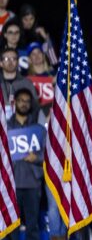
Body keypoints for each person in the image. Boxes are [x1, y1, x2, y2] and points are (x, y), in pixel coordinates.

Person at [7, 89, 44, 240]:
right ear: (14, 103)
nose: (24, 104)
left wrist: (36, 157)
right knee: (11, 228)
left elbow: (48, 155)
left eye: (27, 101)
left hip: (32, 184)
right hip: (11, 184)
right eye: (21, 100)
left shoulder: (38, 129)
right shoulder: (5, 128)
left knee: (32, 226)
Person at [0, 48, 39, 118]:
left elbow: (35, 106)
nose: (10, 62)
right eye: (6, 59)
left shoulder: (27, 83)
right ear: (1, 63)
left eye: (13, 59)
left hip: (23, 124)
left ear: (18, 62)